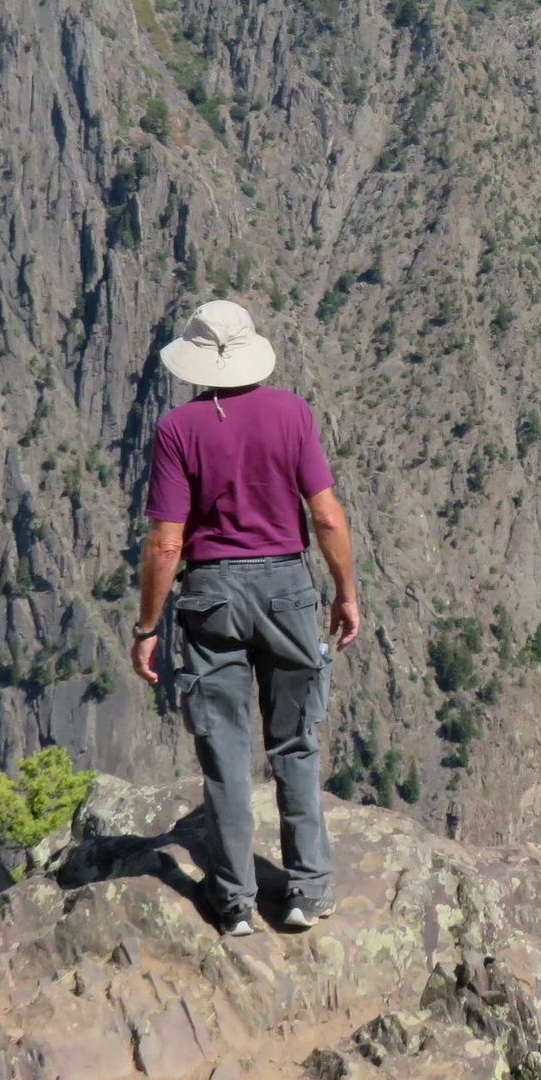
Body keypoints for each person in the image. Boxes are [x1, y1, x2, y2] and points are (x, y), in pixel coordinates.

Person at [132, 298, 363, 936]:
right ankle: (307, 893)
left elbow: (165, 543)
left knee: (225, 752)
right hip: (288, 587)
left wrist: (146, 627)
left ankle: (234, 902)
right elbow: (326, 516)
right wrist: (345, 591)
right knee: (295, 742)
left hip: (211, 596)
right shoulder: (292, 414)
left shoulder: (179, 429)